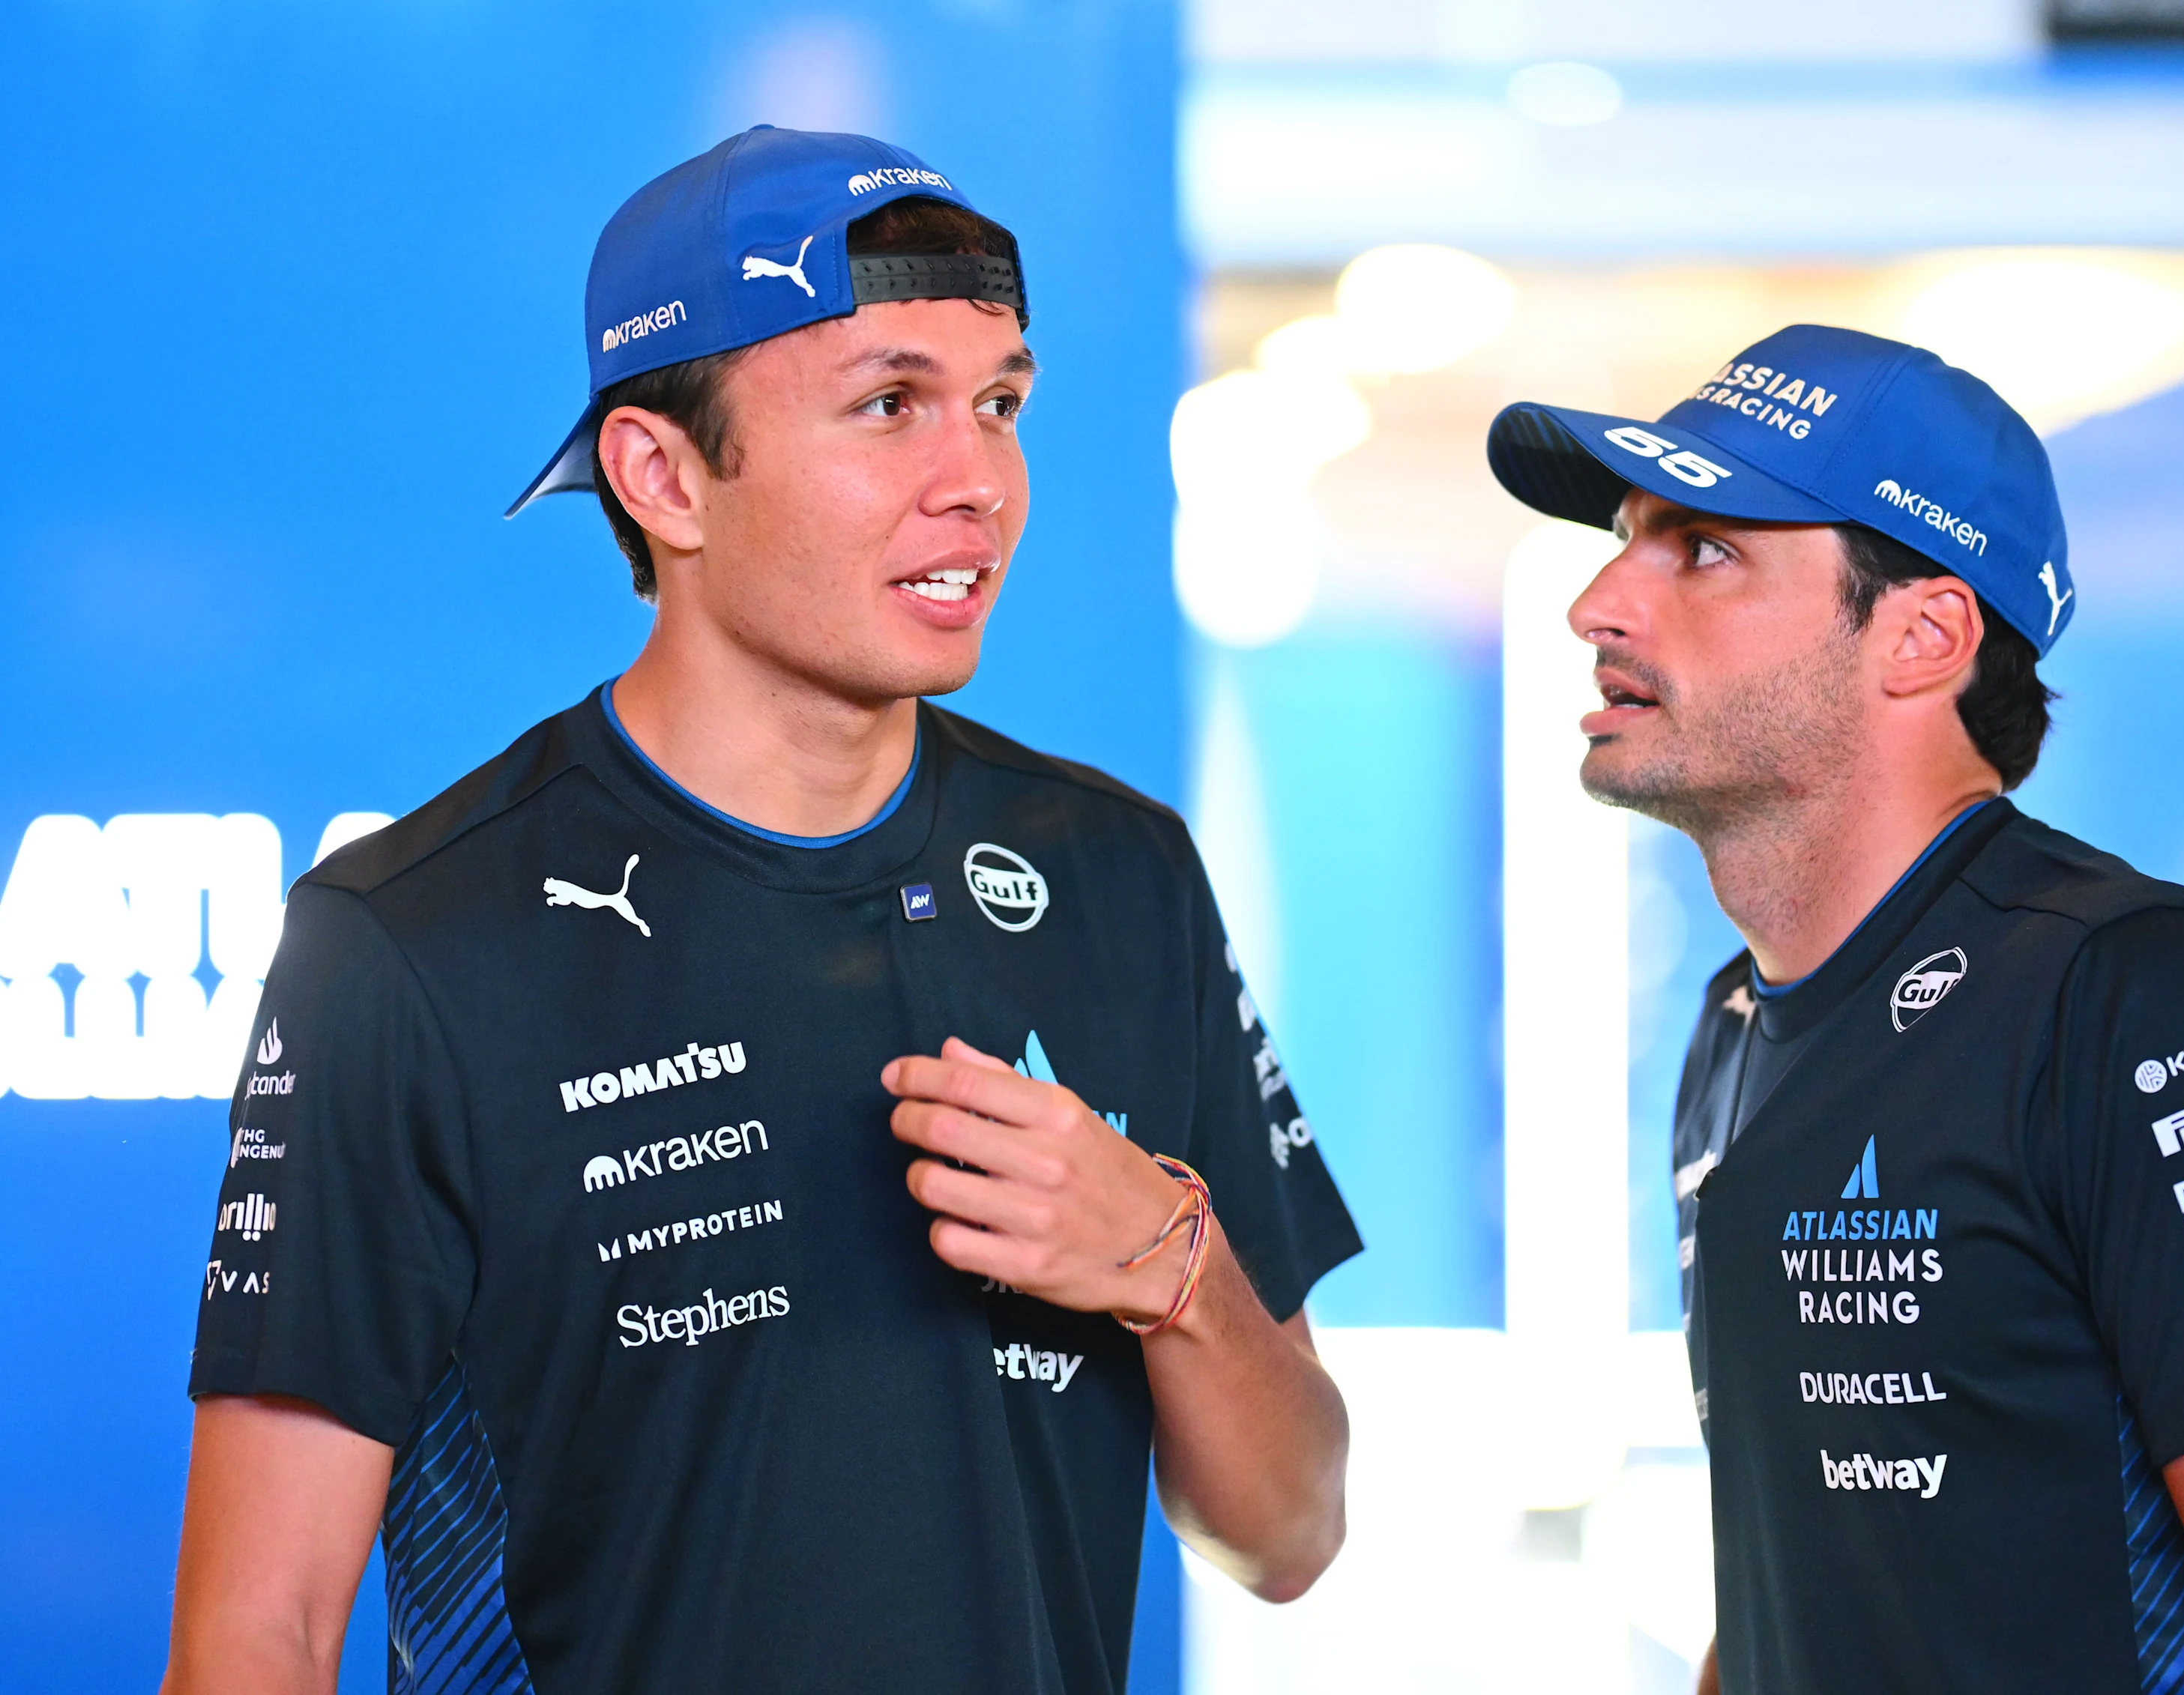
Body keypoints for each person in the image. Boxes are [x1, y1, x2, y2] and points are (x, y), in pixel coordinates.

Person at [166, 127, 1360, 1695]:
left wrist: (1171, 1267)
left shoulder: (1121, 872)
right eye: (888, 407)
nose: (977, 484)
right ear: (660, 474)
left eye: (999, 402)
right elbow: (262, 1631)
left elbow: (1288, 1534)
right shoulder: (405, 940)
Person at [1485, 325, 2184, 1695]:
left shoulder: (2129, 994)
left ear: (1923, 634)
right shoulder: (1736, 1026)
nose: (1599, 603)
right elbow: (1792, 1597)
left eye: (1705, 549)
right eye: (1629, 535)